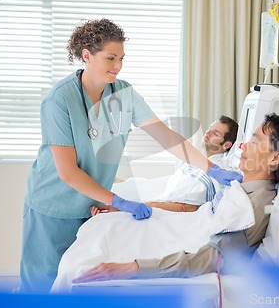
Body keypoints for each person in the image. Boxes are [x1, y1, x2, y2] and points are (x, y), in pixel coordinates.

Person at [19, 18, 242, 293]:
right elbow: (67, 172)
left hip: (90, 202)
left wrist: (211, 169)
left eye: (121, 58)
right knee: (40, 288)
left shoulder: (124, 93)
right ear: (86, 55)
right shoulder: (60, 100)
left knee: (74, 282)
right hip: (52, 205)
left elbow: (167, 137)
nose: (118, 66)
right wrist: (119, 201)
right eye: (111, 58)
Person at [71, 113, 279, 283]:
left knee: (87, 257)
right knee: (103, 228)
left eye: (255, 140)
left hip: (181, 240)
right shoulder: (240, 186)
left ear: (275, 159)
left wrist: (135, 268)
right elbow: (198, 214)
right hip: (178, 227)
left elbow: (212, 258)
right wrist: (124, 209)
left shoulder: (253, 206)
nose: (243, 145)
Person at [110, 115, 239, 213]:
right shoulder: (196, 160)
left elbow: (189, 206)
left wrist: (126, 208)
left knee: (109, 193)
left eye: (216, 133)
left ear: (227, 145)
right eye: (210, 128)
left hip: (155, 200)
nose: (208, 133)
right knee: (114, 183)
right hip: (154, 189)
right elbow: (170, 183)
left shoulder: (218, 173)